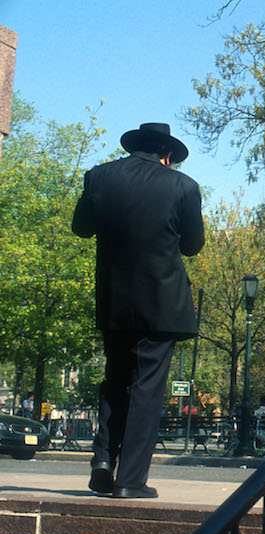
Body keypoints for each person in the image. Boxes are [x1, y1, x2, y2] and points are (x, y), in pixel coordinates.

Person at [72, 123, 204, 499]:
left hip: (114, 300)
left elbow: (81, 228)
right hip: (161, 304)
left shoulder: (99, 177)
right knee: (146, 387)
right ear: (166, 154)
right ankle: (130, 479)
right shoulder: (183, 187)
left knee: (116, 381)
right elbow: (193, 246)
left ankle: (102, 459)